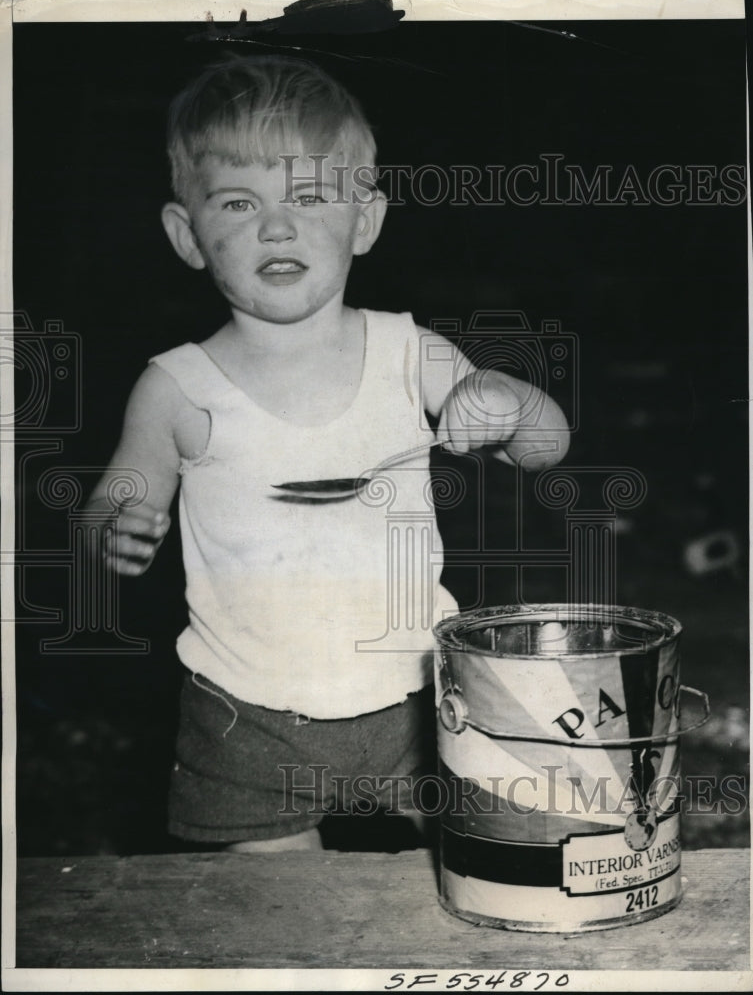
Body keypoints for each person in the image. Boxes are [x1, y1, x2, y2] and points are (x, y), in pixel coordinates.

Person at [85, 54, 570, 852]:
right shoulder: (176, 388)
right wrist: (115, 524)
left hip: (419, 693)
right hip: (248, 711)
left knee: (487, 870)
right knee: (277, 922)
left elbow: (546, 445)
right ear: (187, 235)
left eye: (309, 199)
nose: (276, 228)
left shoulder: (408, 351)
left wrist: (508, 403)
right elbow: (112, 503)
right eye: (238, 203)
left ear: (365, 221)